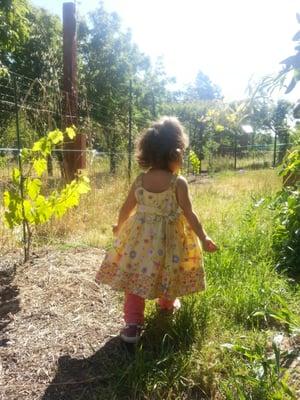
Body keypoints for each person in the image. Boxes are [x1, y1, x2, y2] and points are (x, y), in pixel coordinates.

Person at [95, 116, 217, 343]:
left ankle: (132, 325)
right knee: (169, 271)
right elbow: (190, 213)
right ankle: (166, 305)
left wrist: (119, 226)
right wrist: (204, 236)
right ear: (177, 153)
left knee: (134, 279)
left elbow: (126, 208)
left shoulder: (140, 180)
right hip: (169, 241)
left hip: (138, 242)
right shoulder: (177, 182)